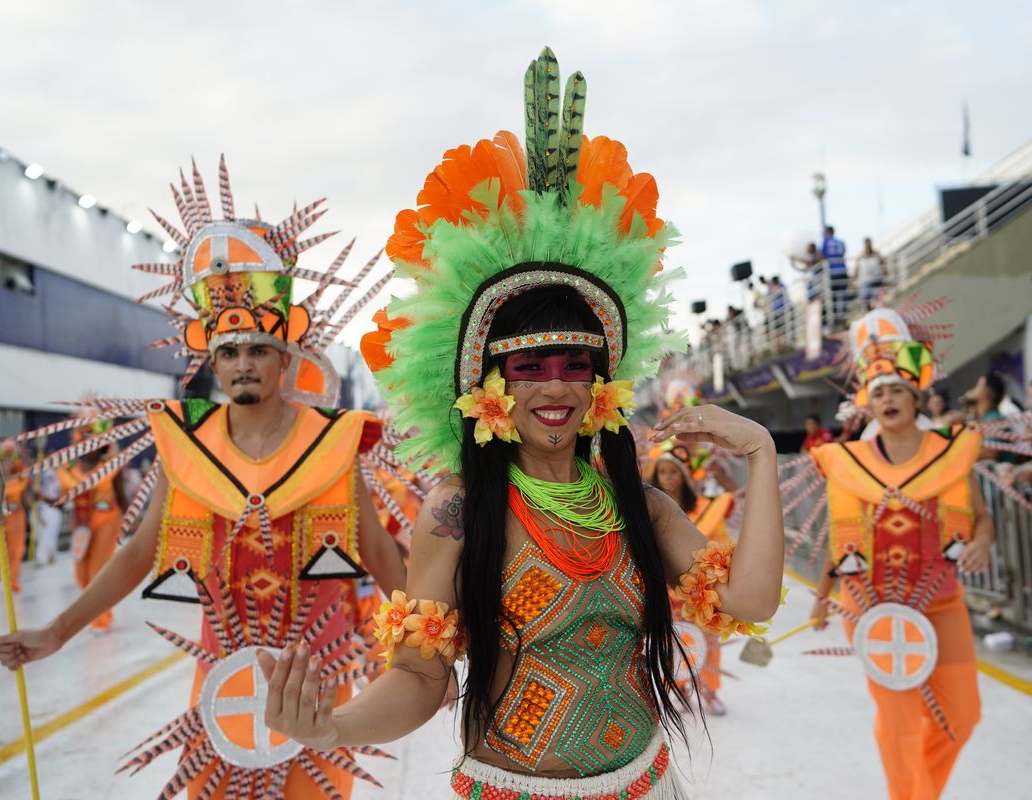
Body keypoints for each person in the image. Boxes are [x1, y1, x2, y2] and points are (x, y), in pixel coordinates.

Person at [262, 48, 786, 800]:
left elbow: (752, 602)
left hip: (645, 785)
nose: (556, 386)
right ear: (489, 386)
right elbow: (420, 676)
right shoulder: (457, 511)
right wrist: (334, 728)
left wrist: (762, 451)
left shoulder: (636, 506)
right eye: (530, 366)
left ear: (602, 384)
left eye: (575, 365)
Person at [0, 157, 411, 797]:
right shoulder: (187, 447)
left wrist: (432, 647)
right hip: (223, 682)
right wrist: (56, 631)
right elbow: (138, 553)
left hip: (316, 675)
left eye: (259, 350)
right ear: (212, 363)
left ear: (283, 359)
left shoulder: (332, 441)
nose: (244, 363)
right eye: (230, 351)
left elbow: (379, 552)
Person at [800, 305, 995, 800]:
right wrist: (823, 596)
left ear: (915, 396)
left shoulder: (949, 453)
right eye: (879, 392)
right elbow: (840, 537)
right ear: (868, 404)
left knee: (962, 716)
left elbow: (981, 516)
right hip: (872, 607)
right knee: (901, 722)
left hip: (941, 601)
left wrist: (982, 541)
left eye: (896, 390)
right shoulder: (850, 462)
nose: (887, 399)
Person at [648, 441, 738, 716]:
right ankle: (679, 687)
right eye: (662, 472)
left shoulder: (705, 508)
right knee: (672, 640)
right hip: (665, 588)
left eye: (673, 471)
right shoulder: (649, 508)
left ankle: (709, 689)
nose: (668, 477)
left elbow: (721, 548)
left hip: (701, 589)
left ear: (684, 476)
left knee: (708, 640)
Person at [58, 443, 127, 632]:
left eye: (92, 441)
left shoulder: (111, 466)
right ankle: (101, 611)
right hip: (81, 526)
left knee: (97, 571)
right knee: (81, 574)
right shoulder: (69, 471)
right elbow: (62, 499)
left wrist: (130, 519)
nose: (88, 446)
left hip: (107, 520)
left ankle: (100, 620)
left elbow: (121, 494)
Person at [0, 443, 30, 592]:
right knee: (1, 551)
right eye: (4, 462)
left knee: (16, 550)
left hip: (16, 517)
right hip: (1, 519)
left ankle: (13, 582)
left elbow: (25, 481)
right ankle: (6, 580)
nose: (7, 465)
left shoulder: (18, 478)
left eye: (10, 461)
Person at [32, 459, 64, 567]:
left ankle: (51, 555)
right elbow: (37, 491)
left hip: (55, 508)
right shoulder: (44, 473)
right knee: (44, 534)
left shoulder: (59, 472)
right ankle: (41, 558)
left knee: (52, 533)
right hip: (45, 507)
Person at [822, 225, 850, 324]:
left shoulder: (826, 241)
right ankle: (842, 316)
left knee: (833, 296)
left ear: (827, 232)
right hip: (842, 270)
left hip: (832, 272)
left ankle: (835, 318)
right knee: (842, 295)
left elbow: (822, 255)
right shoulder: (841, 242)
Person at [855, 237, 888, 307]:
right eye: (866, 244)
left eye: (869, 243)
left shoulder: (877, 254)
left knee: (877, 300)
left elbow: (884, 265)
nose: (868, 245)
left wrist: (885, 274)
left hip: (877, 281)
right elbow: (856, 270)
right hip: (865, 283)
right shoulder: (861, 257)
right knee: (866, 299)